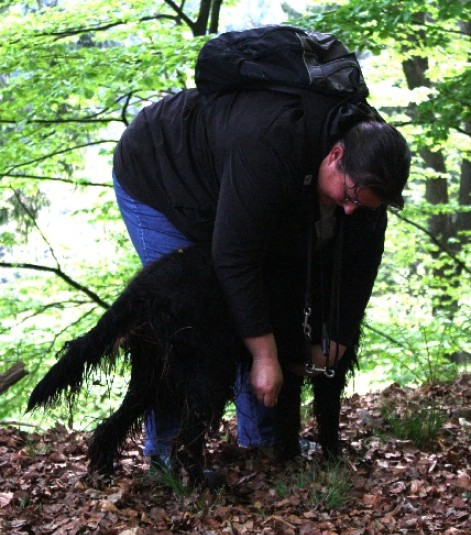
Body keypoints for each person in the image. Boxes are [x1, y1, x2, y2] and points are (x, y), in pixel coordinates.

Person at [112, 81, 411, 471]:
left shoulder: (374, 163)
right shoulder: (272, 145)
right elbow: (236, 259)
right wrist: (265, 356)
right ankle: (167, 452)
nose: (352, 209)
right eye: (350, 197)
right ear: (335, 155)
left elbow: (360, 266)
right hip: (160, 170)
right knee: (185, 322)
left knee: (265, 294)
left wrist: (337, 338)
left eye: (363, 204)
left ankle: (262, 438)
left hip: (232, 187)